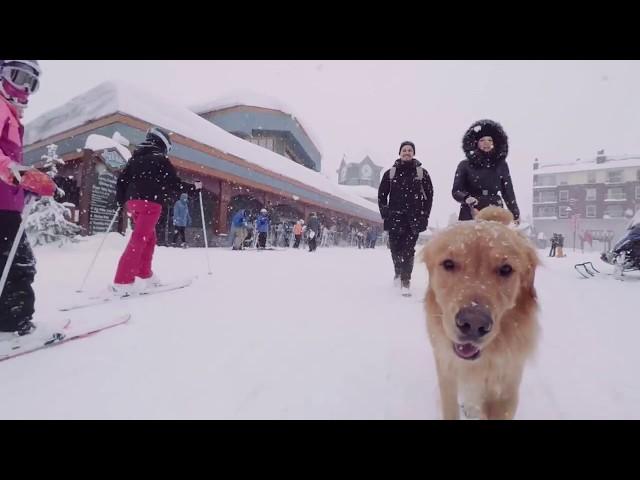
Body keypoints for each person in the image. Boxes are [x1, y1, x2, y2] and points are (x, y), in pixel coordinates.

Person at [0, 60, 54, 336]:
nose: (23, 87)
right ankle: (13, 325)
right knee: (19, 264)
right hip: (2, 207)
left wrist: (26, 183)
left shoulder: (11, 115)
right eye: (17, 76)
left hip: (6, 203)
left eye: (30, 82)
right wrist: (20, 175)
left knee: (8, 262)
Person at [113, 126, 201, 294]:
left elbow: (122, 181)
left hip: (133, 203)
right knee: (139, 239)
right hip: (151, 204)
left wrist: (121, 200)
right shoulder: (160, 159)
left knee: (149, 238)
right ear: (163, 143)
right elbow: (174, 184)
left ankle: (144, 273)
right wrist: (194, 188)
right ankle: (123, 280)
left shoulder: (135, 159)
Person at [378, 140, 433, 295]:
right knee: (395, 249)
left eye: (410, 150)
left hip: (413, 219)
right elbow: (382, 195)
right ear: (400, 153)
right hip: (394, 218)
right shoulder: (390, 173)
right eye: (404, 150)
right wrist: (385, 213)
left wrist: (424, 216)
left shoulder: (422, 173)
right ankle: (398, 270)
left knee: (408, 250)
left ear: (413, 153)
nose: (407, 152)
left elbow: (429, 197)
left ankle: (405, 280)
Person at [452, 119, 520, 223]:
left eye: (490, 140)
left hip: (495, 210)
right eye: (482, 140)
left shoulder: (501, 165)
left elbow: (508, 191)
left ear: (495, 142)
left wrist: (515, 214)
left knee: (495, 238)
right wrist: (466, 198)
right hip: (470, 211)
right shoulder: (464, 165)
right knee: (471, 239)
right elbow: (456, 191)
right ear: (476, 143)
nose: (486, 143)